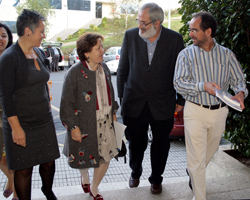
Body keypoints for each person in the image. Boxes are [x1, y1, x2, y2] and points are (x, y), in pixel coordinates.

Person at [174, 11, 248, 200]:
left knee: (209, 152)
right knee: (197, 160)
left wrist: (240, 93)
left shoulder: (227, 55)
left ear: (208, 31)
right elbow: (178, 83)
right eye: (190, 30)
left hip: (219, 112)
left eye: (194, 30)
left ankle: (193, 169)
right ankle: (200, 196)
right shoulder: (185, 55)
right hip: (195, 111)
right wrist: (202, 86)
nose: (190, 34)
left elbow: (239, 80)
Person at [117, 2, 185, 194]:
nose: (140, 26)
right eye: (138, 21)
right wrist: (121, 98)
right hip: (134, 101)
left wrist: (181, 99)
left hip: (163, 103)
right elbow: (122, 70)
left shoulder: (174, 39)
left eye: (143, 23)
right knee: (135, 143)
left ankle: (156, 178)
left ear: (157, 23)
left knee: (161, 145)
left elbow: (181, 72)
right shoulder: (130, 36)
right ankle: (135, 171)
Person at [0, 9, 60, 200]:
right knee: (24, 169)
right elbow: (6, 97)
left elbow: (43, 80)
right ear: (28, 31)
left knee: (49, 162)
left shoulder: (39, 52)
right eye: (41, 31)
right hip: (20, 123)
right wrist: (16, 129)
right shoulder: (9, 58)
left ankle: (47, 190)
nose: (44, 35)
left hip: (43, 120)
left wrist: (46, 99)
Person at [60, 32, 119, 200]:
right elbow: (66, 103)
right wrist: (73, 127)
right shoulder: (75, 73)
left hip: (105, 121)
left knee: (106, 156)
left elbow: (110, 91)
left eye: (102, 47)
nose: (102, 51)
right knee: (84, 155)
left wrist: (113, 112)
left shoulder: (105, 68)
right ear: (86, 52)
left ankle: (94, 186)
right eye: (98, 48)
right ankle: (84, 176)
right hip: (84, 123)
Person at [0, 23, 19, 200]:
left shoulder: (12, 57)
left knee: (11, 156)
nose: (1, 39)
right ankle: (12, 179)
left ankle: (16, 189)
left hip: (10, 115)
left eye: (4, 35)